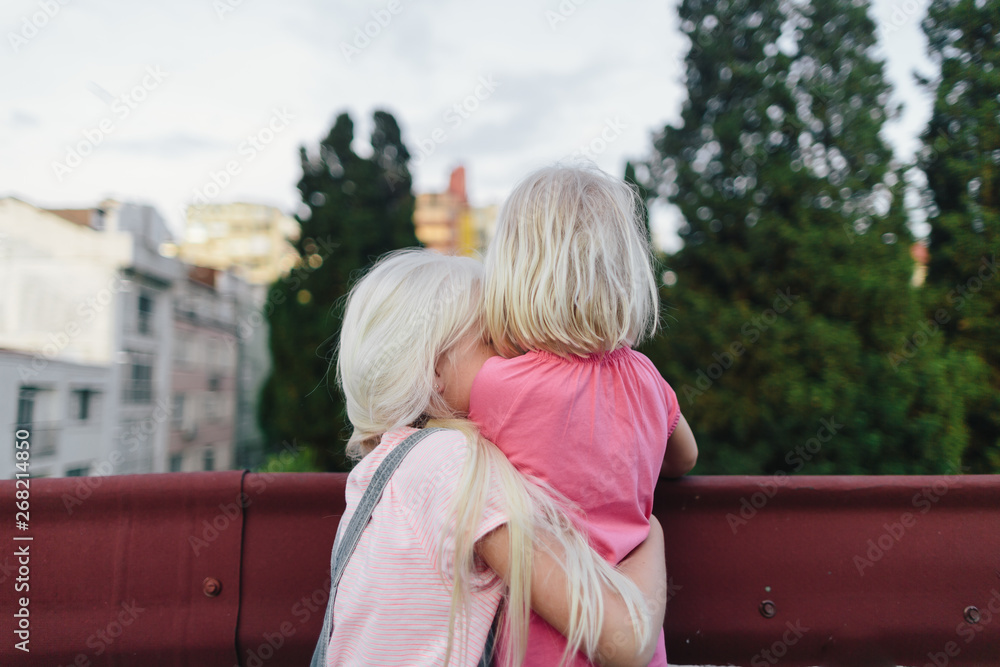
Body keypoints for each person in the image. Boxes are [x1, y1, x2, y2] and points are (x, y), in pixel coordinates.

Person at [314, 248, 667, 667]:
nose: (516, 357)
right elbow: (623, 640)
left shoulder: (378, 475)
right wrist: (649, 532)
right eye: (490, 342)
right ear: (432, 371)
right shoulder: (451, 464)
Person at [469, 164, 699, 667]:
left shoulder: (493, 386)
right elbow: (685, 457)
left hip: (534, 650)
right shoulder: (644, 376)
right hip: (637, 632)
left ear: (513, 271)